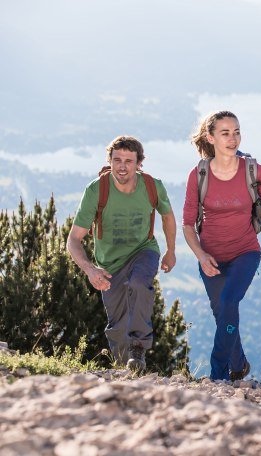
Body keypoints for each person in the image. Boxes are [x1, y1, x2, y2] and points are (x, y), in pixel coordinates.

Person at [182, 111, 261, 381]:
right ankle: (239, 363)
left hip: (245, 251)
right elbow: (188, 224)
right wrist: (201, 255)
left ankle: (218, 376)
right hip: (210, 256)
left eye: (236, 132)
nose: (232, 139)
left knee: (229, 301)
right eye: (225, 133)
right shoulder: (198, 175)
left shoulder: (253, 171)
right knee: (222, 313)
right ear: (211, 138)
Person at [67, 135, 176, 371]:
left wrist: (171, 251)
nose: (122, 166)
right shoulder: (96, 190)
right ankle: (124, 372)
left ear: (139, 164)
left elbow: (167, 216)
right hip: (109, 263)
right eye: (117, 160)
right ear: (110, 161)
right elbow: (74, 239)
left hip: (143, 250)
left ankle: (138, 346)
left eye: (129, 160)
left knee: (138, 283)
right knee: (116, 326)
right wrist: (90, 269)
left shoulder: (152, 186)